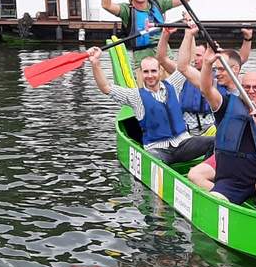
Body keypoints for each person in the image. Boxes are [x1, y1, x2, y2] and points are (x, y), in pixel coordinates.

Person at [185, 22, 256, 190]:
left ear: (234, 70)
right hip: (228, 152)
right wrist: (204, 57)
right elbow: (200, 83)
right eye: (215, 68)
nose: (217, 72)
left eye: (221, 69)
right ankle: (222, 190)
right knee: (194, 174)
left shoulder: (251, 83)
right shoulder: (218, 94)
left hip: (254, 155)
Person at [86, 26, 213, 165]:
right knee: (154, 161)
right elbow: (106, 88)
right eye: (146, 72)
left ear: (160, 71)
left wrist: (188, 34)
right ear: (141, 73)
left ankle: (202, 172)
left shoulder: (173, 84)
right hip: (157, 150)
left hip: (183, 144)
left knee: (215, 143)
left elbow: (185, 63)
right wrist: (95, 64)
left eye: (153, 71)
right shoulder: (135, 96)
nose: (150, 75)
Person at [101, 0, 192, 83]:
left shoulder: (158, 3)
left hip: (165, 60)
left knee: (174, 93)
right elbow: (106, 4)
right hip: (143, 64)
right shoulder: (126, 11)